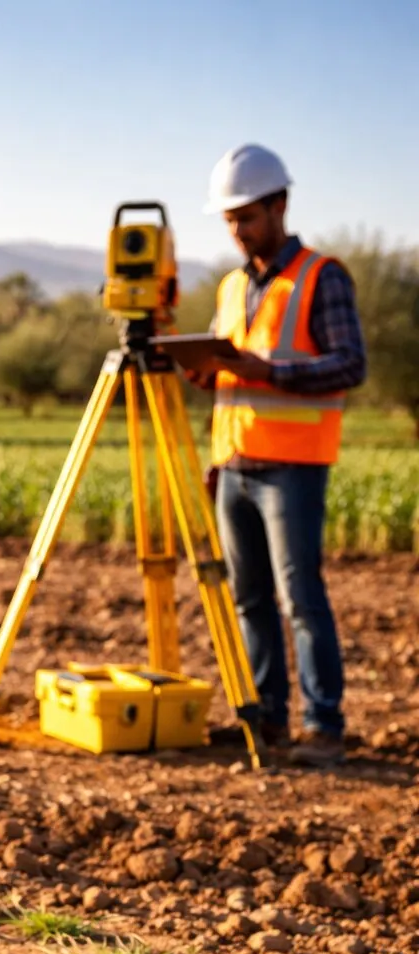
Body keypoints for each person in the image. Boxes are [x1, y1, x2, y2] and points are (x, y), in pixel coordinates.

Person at [187, 145, 366, 767]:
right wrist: (208, 373)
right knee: (249, 600)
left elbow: (350, 364)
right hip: (234, 463)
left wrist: (270, 371)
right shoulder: (232, 286)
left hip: (292, 466)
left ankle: (323, 726)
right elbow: (233, 364)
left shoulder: (323, 276)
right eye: (229, 220)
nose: (237, 231)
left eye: (247, 217)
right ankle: (266, 720)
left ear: (280, 205)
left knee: (300, 598)